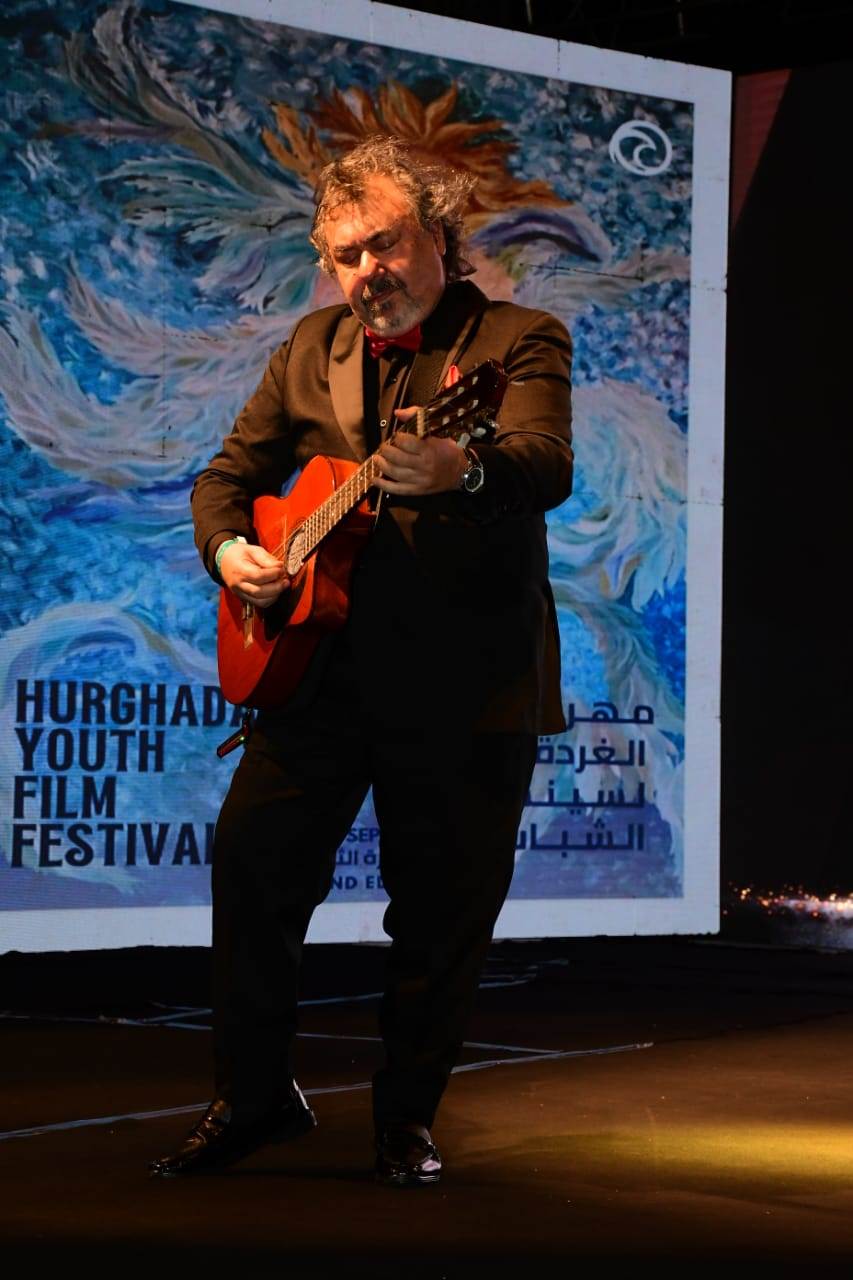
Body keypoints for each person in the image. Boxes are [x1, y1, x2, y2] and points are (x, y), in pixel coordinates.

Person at [149, 134, 573, 1187]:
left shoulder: (517, 337)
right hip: (316, 678)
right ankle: (254, 1100)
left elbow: (542, 462)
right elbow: (224, 480)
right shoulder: (311, 346)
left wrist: (461, 469)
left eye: (382, 244)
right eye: (343, 254)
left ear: (438, 233)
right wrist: (232, 552)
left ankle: (405, 1119)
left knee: (438, 917)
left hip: (465, 688)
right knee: (251, 872)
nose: (366, 271)